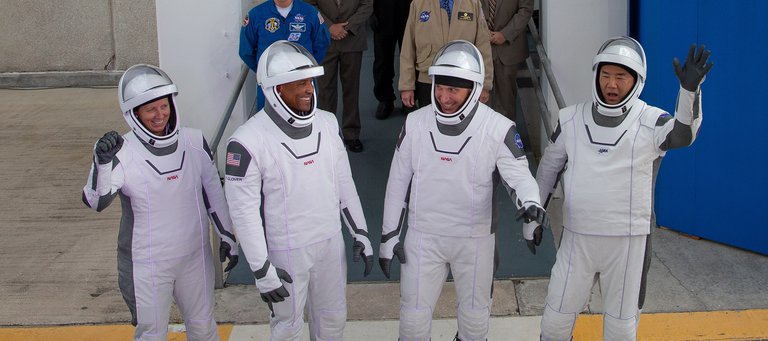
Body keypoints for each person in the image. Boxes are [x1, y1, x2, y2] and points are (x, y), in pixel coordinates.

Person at [524, 37, 712, 340]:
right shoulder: (571, 119)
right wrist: (533, 216)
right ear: (597, 75)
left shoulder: (651, 121)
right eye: (606, 75)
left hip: (628, 243)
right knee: (555, 321)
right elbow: (549, 168)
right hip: (577, 238)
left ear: (636, 80)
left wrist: (689, 92)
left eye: (621, 77)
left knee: (620, 329)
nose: (612, 84)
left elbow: (683, 135)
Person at [378, 40, 547, 341]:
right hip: (423, 237)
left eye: (453, 90)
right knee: (412, 324)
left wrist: (531, 204)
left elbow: (519, 176)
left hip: (475, 240)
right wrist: (389, 235)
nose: (443, 97)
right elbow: (397, 183)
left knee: (474, 323)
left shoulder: (498, 128)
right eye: (440, 87)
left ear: (474, 88)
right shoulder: (415, 124)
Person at [224, 40, 374, 340]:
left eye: (310, 81)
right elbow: (244, 213)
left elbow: (344, 183)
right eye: (300, 83)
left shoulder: (328, 123)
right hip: (286, 251)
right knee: (287, 328)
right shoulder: (246, 141)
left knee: (333, 322)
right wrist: (261, 268)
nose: (309, 89)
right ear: (277, 90)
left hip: (331, 245)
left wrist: (361, 232)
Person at [82, 64, 239, 341]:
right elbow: (96, 200)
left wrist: (227, 235)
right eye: (150, 109)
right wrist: (101, 162)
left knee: (204, 328)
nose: (160, 115)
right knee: (151, 334)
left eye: (163, 106)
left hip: (194, 256)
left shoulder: (193, 141)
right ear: (135, 114)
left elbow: (213, 192)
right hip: (148, 263)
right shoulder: (122, 150)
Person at [398, 0, 494, 111]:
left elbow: (483, 47)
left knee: (462, 124)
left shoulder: (473, 3)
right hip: (428, 80)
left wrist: (485, 85)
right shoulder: (418, 4)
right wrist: (406, 86)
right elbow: (408, 48)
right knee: (429, 123)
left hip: (463, 80)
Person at [239, 0, 330, 112]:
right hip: (270, 84)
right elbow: (246, 51)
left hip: (302, 83)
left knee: (304, 120)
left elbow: (321, 45)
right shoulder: (256, 14)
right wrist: (265, 71)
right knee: (269, 122)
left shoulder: (310, 13)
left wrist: (305, 71)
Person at [308, 0, 372, 153]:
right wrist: (329, 26)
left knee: (351, 88)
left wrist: (347, 27)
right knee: (325, 90)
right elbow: (310, 5)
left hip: (352, 38)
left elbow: (367, 5)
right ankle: (327, 133)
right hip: (324, 39)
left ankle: (351, 134)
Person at [481, 0, 532, 121]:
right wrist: (481, 31)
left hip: (509, 48)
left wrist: (505, 34)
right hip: (481, 45)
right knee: (480, 101)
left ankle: (505, 138)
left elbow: (525, 10)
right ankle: (482, 137)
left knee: (506, 102)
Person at [371, 0, 412, 120]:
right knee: (382, 59)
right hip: (382, 10)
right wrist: (370, 13)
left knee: (411, 55)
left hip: (409, 6)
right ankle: (385, 99)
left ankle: (409, 99)